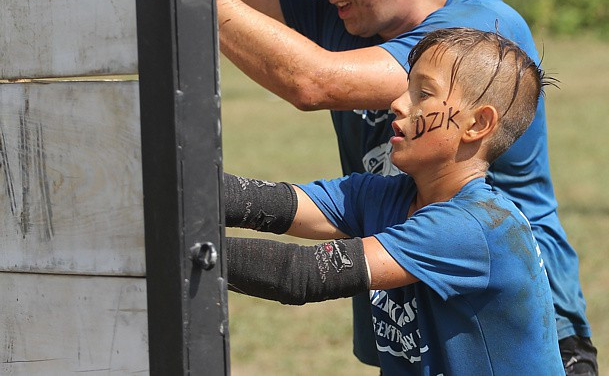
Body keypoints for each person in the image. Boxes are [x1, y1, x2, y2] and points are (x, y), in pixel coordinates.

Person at [213, 0, 597, 374]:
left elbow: (313, 80)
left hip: (508, 324)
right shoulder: (345, 14)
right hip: (402, 309)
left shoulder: (478, 40)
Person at [224, 28, 565, 375]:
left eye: (423, 93)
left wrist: (184, 252)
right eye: (407, 88)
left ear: (477, 124)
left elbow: (305, 273)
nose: (398, 103)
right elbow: (270, 203)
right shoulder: (386, 196)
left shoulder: (477, 227)